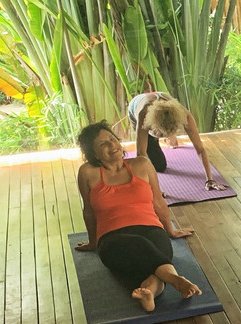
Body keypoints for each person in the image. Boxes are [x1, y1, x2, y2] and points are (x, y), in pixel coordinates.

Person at [75, 121, 202, 312]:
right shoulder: (87, 173)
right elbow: (89, 211)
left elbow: (158, 202)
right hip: (113, 238)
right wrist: (93, 243)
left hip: (151, 229)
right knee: (147, 250)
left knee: (155, 251)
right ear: (93, 153)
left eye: (112, 139)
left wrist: (170, 231)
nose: (112, 145)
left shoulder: (142, 164)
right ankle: (175, 279)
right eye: (103, 144)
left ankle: (149, 292)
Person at [128, 92, 227, 191]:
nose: (163, 136)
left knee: (163, 157)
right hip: (136, 106)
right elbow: (140, 157)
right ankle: (158, 138)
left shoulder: (185, 115)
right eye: (161, 134)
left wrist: (210, 180)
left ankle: (169, 136)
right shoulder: (143, 115)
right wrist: (154, 190)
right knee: (159, 166)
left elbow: (200, 149)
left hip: (161, 104)